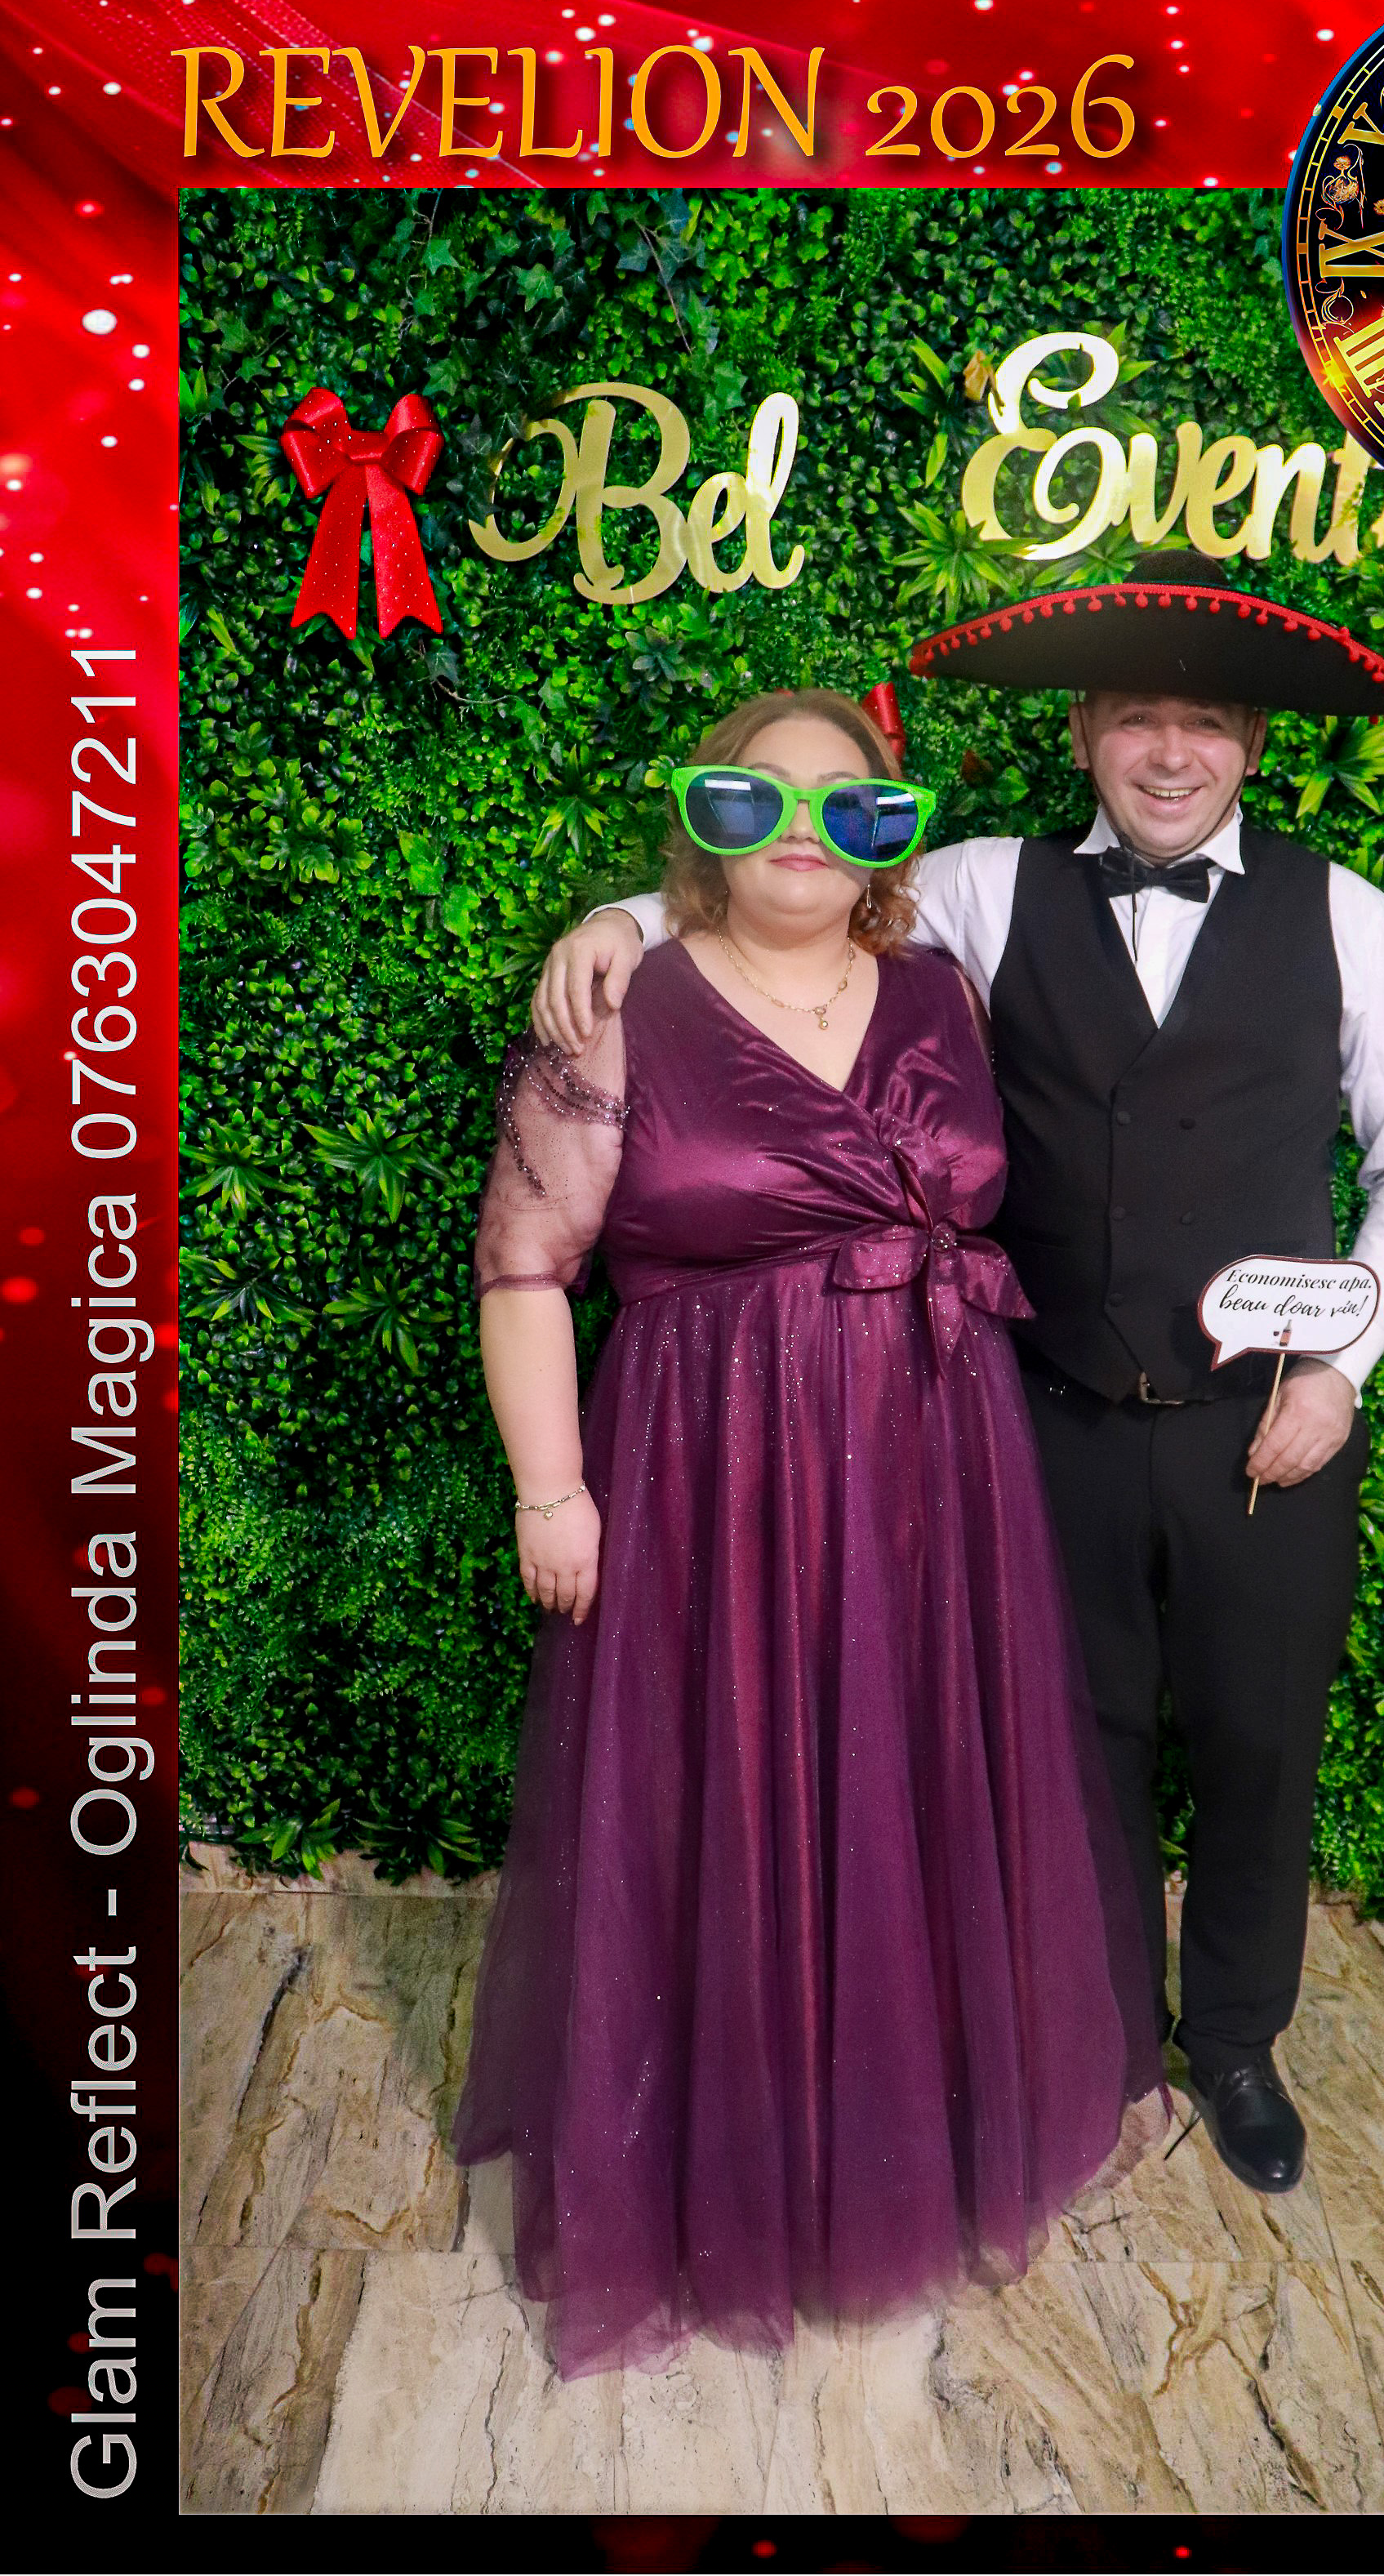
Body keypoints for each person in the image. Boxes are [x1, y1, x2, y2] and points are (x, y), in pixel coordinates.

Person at [532, 552, 1384, 2199]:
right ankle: (1091, 2040)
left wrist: (1344, 1364)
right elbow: (795, 884)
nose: (1170, 752)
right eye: (1136, 719)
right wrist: (615, 923)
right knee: (1065, 1747)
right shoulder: (982, 884)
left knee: (1259, 1747)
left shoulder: (1349, 913)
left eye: (1203, 724)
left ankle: (1235, 2042)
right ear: (1087, 733)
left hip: (1270, 1423)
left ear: (1250, 745)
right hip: (1044, 1420)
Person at [456, 687, 1164, 2381]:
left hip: (939, 1469)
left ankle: (917, 2146)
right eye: (753, 798)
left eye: (846, 806)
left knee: (919, 1795)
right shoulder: (620, 1002)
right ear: (699, 821)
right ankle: (742, 2178)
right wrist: (553, 1487)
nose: (798, 832)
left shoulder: (944, 988)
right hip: (714, 1474)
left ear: (888, 836)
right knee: (731, 1798)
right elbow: (527, 1265)